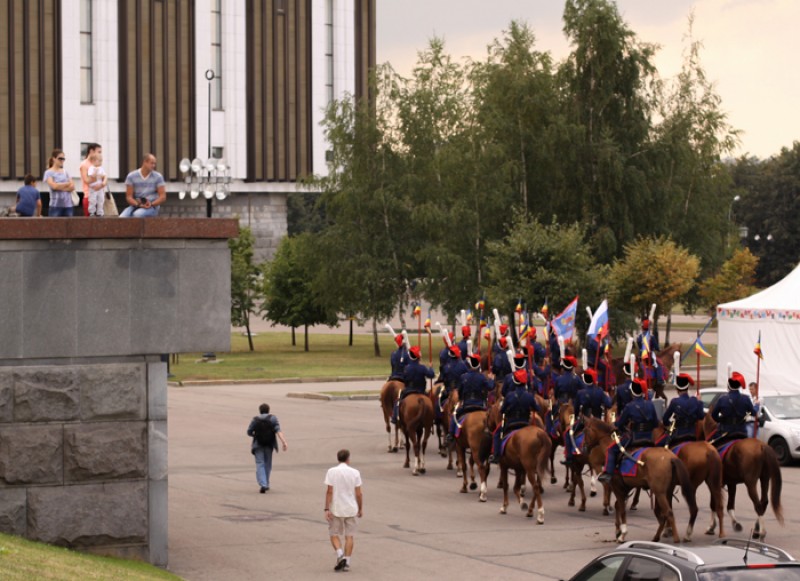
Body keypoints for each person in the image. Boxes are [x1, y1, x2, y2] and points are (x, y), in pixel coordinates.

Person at [599, 378, 657, 483]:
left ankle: (608, 473)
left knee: (611, 449)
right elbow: (656, 423)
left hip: (634, 438)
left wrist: (616, 426)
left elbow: (620, 424)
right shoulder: (650, 404)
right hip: (649, 438)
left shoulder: (629, 406)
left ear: (632, 392)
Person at [324, 449, 363, 572]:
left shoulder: (331, 471)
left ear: (338, 458)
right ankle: (347, 562)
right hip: (351, 508)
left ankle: (340, 553)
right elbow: (359, 494)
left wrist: (326, 508)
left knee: (334, 534)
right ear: (348, 459)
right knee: (349, 536)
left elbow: (329, 491)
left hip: (336, 507)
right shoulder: (355, 472)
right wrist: (360, 508)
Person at [489, 369, 539, 464]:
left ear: (515, 381)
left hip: (511, 423)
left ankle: (496, 455)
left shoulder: (509, 396)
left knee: (496, 433)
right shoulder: (529, 396)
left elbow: (502, 410)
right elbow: (537, 409)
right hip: (525, 422)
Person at [563, 369, 612, 465]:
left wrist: (576, 417)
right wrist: (605, 396)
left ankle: (569, 457)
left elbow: (576, 409)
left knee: (567, 434)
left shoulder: (580, 393)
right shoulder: (600, 391)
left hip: (584, 421)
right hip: (598, 422)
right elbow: (609, 404)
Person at [446, 354, 493, 443]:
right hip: (480, 405)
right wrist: (491, 379)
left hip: (467, 405)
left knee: (454, 415)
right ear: (479, 364)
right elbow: (490, 387)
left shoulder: (464, 377)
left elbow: (460, 391)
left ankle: (451, 434)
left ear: (470, 364)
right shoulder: (482, 377)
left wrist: (460, 399)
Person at [246, 403, 288, 493]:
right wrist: (284, 442)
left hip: (258, 444)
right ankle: (266, 483)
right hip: (269, 444)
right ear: (268, 410)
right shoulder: (273, 418)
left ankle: (263, 484)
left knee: (260, 463)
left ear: (259, 410)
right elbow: (278, 430)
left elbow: (249, 432)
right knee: (267, 464)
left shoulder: (255, 420)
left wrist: (256, 436)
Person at [391, 346, 435, 423]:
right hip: (421, 391)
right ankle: (433, 417)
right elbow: (431, 375)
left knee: (398, 401)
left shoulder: (406, 368)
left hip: (409, 390)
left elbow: (404, 379)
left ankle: (395, 417)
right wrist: (431, 367)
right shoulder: (423, 367)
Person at [710, 372, 755, 446]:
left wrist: (721, 420)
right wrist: (756, 406)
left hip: (726, 431)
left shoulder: (722, 399)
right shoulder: (745, 398)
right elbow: (753, 413)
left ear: (728, 385)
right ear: (739, 386)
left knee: (714, 449)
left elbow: (714, 415)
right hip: (741, 432)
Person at [661, 373, 705, 444]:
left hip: (678, 435)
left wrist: (672, 425)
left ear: (677, 389)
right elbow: (701, 416)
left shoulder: (674, 402)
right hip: (692, 434)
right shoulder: (695, 401)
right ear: (687, 388)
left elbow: (665, 420)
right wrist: (699, 402)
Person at [44, 148, 76, 217]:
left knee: (69, 227)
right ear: (54, 159)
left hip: (68, 205)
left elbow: (72, 186)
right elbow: (53, 186)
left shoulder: (66, 172)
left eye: (63, 159)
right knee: (54, 227)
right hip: (55, 205)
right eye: (60, 158)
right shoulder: (48, 172)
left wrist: (58, 186)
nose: (62, 161)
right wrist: (67, 184)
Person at [79, 143, 102, 216]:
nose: (100, 154)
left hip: (99, 196)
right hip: (89, 196)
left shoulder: (97, 163)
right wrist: (95, 177)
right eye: (99, 152)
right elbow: (86, 180)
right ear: (91, 151)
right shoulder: (84, 164)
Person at [86, 151, 108, 216]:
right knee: (92, 200)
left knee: (101, 199)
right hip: (93, 188)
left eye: (101, 161)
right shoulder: (91, 168)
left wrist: (103, 182)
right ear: (93, 161)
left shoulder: (101, 168)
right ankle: (92, 212)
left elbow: (104, 176)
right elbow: (91, 176)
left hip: (100, 188)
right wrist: (96, 173)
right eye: (99, 161)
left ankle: (100, 212)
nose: (101, 162)